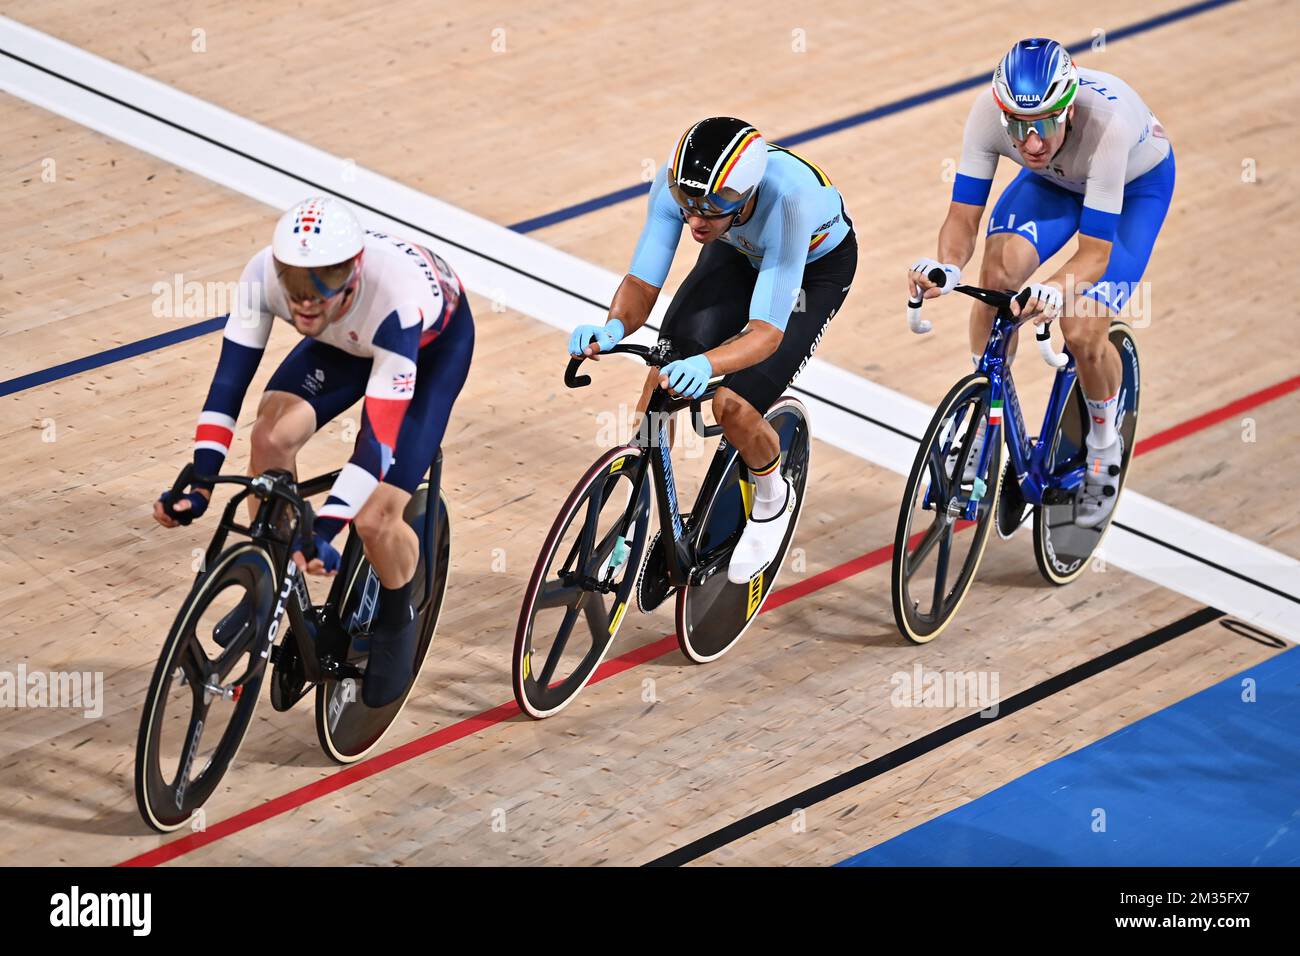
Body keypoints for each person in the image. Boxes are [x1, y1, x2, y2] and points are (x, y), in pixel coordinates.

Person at [154, 196, 474, 707]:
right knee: (268, 438)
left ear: (352, 274)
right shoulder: (268, 276)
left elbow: (375, 445)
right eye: (296, 287)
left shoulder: (396, 302)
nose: (305, 302)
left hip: (427, 350)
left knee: (374, 518)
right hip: (343, 335)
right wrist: (201, 479)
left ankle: (397, 619)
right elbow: (228, 387)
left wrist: (325, 528)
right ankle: (273, 577)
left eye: (320, 289)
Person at [569, 116, 857, 600]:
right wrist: (613, 327)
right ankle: (639, 492)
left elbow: (765, 333)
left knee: (733, 404)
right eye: (688, 208)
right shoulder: (683, 188)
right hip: (739, 251)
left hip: (811, 270)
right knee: (663, 368)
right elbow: (642, 282)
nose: (695, 221)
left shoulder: (788, 201)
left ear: (743, 197)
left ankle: (772, 497)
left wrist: (707, 365)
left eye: (710, 209)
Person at [907, 37, 1174, 527]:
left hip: (1133, 189)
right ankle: (982, 419)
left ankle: (1102, 444)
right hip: (1055, 182)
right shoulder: (988, 114)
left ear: (1068, 109)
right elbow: (963, 219)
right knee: (997, 277)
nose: (1031, 143)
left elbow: (1095, 254)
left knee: (1081, 326)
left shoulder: (1106, 127)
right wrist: (947, 266)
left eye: (1046, 124)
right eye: (1020, 126)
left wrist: (1054, 287)